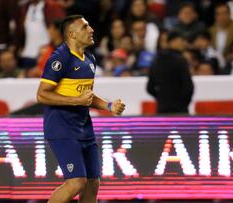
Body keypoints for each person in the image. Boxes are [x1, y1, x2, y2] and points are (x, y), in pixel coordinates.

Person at [36, 15, 125, 203]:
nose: (91, 29)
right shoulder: (60, 58)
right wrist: (76, 100)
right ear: (72, 34)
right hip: (62, 128)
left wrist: (108, 106)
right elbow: (42, 95)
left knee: (93, 183)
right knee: (76, 182)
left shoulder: (89, 58)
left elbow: (86, 95)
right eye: (85, 27)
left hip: (84, 128)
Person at [147, 31, 194, 114]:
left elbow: (149, 88)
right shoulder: (180, 60)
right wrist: (182, 103)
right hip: (180, 110)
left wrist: (162, 98)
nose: (184, 43)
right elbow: (188, 87)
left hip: (162, 109)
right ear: (173, 41)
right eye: (182, 40)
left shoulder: (156, 60)